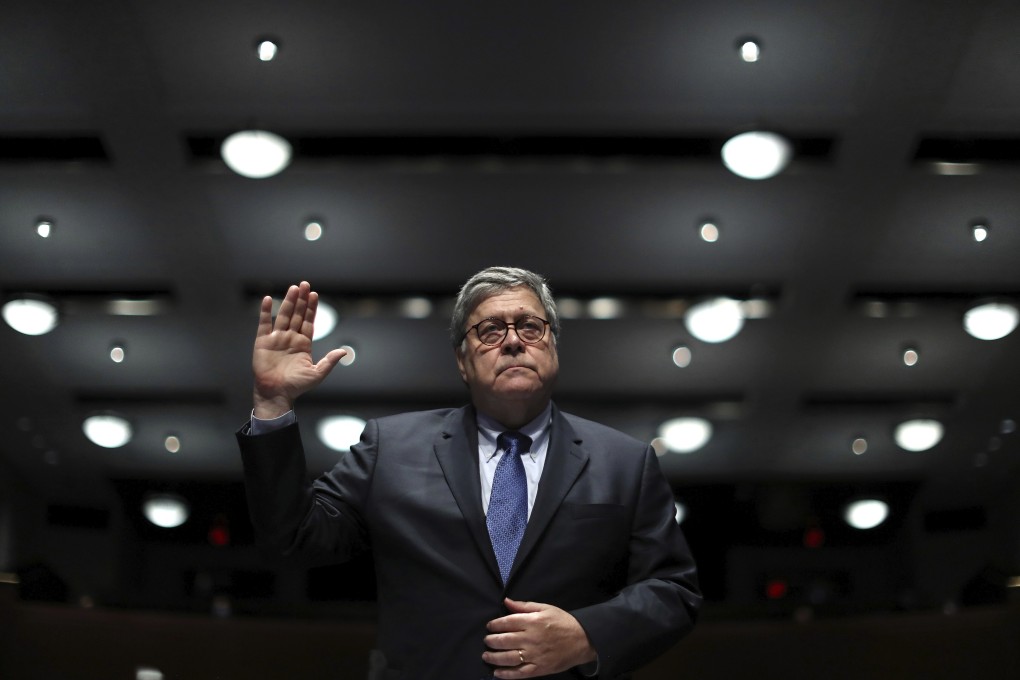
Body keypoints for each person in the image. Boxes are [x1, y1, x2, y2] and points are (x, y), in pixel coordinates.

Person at [237, 266, 701, 680]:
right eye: (491, 330)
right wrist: (274, 405)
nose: (515, 340)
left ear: (553, 345)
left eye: (531, 327)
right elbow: (291, 538)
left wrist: (587, 634)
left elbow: (673, 590)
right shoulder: (390, 448)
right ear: (462, 360)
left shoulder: (625, 461)